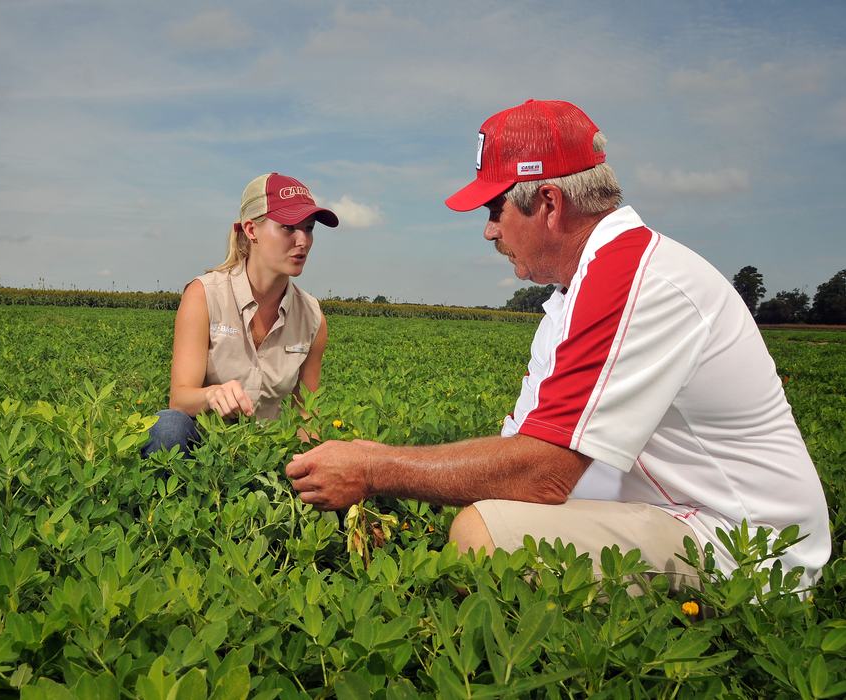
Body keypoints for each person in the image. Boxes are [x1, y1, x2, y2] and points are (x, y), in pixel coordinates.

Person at [285, 99, 830, 588]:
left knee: (482, 535)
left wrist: (373, 469)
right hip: (679, 513)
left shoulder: (634, 280)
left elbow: (540, 475)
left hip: (746, 550)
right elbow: (521, 453)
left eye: (494, 209)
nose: (489, 231)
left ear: (548, 203)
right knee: (491, 511)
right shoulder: (578, 290)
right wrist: (378, 459)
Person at [142, 172, 339, 457]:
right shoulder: (204, 295)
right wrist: (212, 395)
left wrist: (308, 465)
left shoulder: (312, 317)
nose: (303, 241)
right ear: (251, 229)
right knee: (168, 427)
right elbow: (180, 398)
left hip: (264, 452)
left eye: (308, 229)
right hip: (207, 445)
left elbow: (306, 414)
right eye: (288, 228)